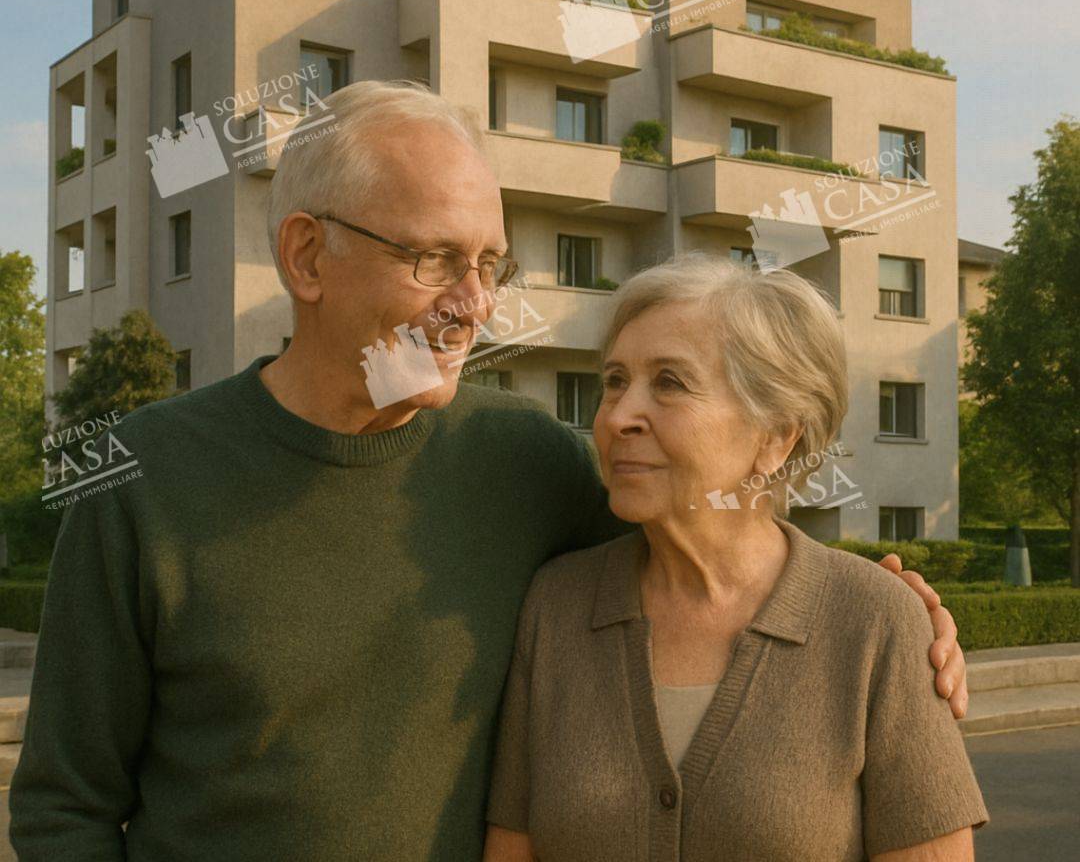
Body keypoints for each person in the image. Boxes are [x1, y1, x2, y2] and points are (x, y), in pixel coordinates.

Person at [11, 82, 968, 861]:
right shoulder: (144, 477)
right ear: (307, 253)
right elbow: (66, 812)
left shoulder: (528, 461)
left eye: (490, 265)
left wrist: (891, 613)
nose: (474, 306)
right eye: (434, 259)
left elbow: (722, 546)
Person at [484, 256, 988, 861]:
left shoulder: (878, 622)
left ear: (777, 437)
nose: (616, 417)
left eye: (669, 383)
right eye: (614, 381)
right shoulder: (555, 607)